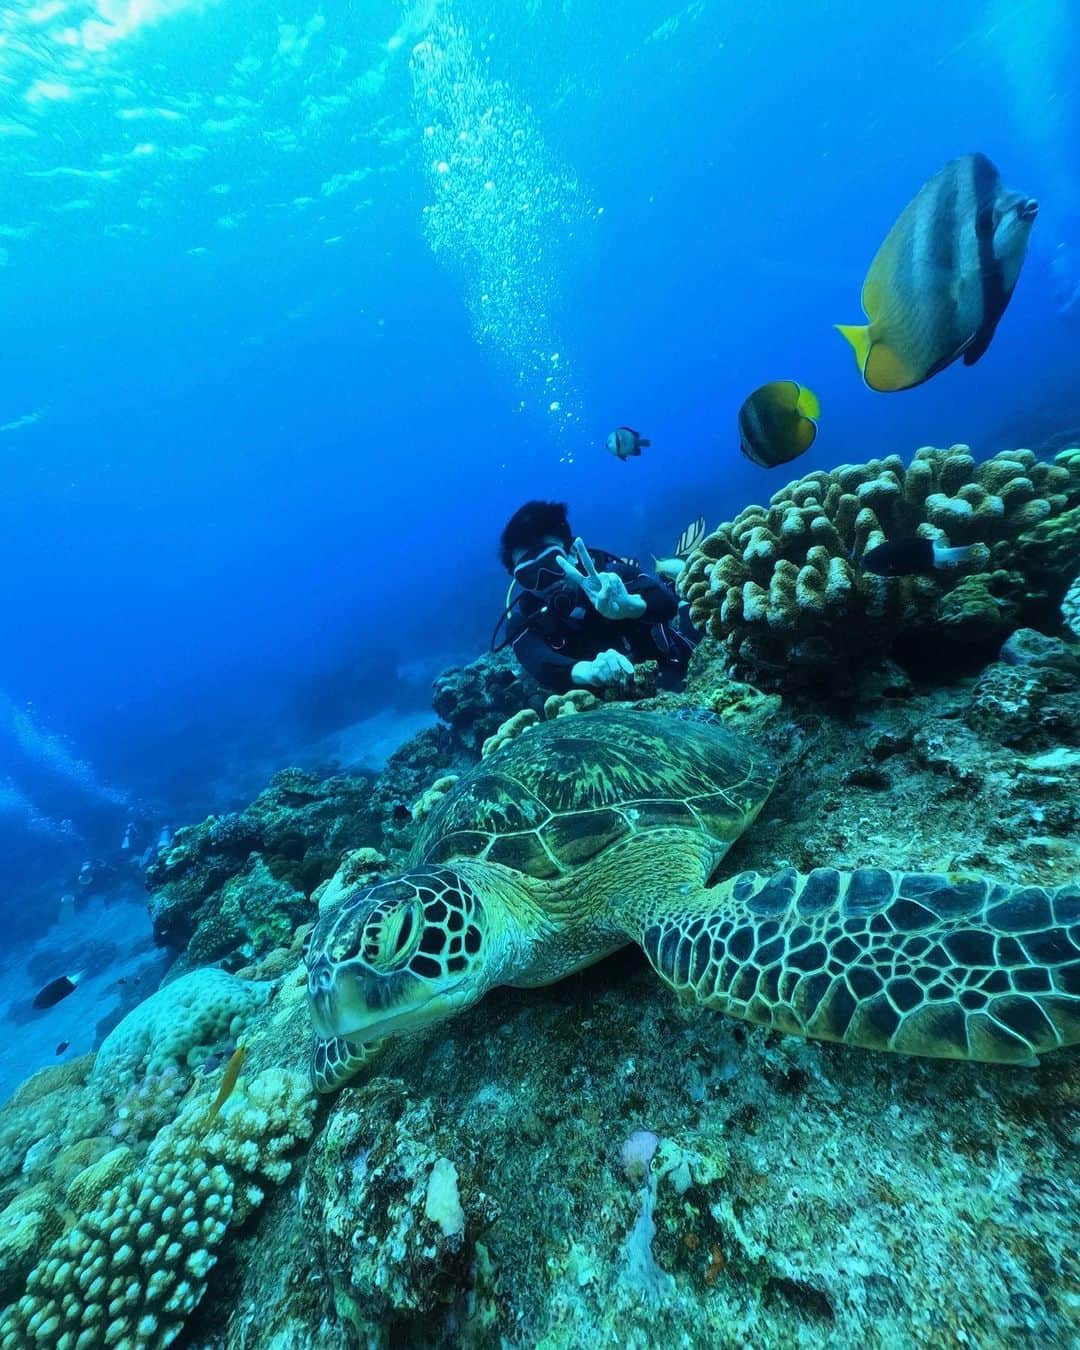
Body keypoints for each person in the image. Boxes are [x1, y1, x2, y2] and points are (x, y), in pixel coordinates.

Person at [496, 499, 696, 694]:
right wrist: (589, 671)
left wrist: (631, 607)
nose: (546, 581)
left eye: (553, 563)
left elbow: (666, 605)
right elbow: (537, 661)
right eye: (530, 575)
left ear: (572, 553)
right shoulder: (524, 622)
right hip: (606, 707)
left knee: (694, 623)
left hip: (677, 666)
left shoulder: (610, 580)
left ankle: (684, 593)